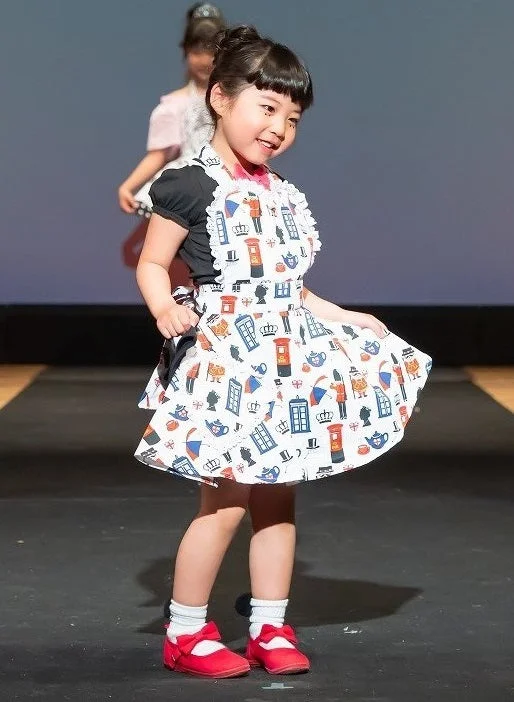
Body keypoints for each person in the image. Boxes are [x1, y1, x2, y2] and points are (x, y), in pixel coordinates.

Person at [134, 25, 432, 679]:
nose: (278, 127)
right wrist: (164, 306)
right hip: (226, 359)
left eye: (291, 117)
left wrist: (347, 316)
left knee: (278, 497)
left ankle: (269, 625)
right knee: (227, 500)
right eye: (266, 108)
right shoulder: (188, 184)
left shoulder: (282, 193)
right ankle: (186, 630)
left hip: (283, 361)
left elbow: (290, 290)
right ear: (220, 98)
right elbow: (154, 263)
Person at [118, 3, 225, 282]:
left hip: (226, 187)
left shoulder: (237, 102)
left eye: (213, 51)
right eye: (197, 51)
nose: (205, 60)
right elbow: (159, 155)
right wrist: (129, 186)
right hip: (191, 187)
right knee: (197, 264)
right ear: (185, 52)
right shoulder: (174, 105)